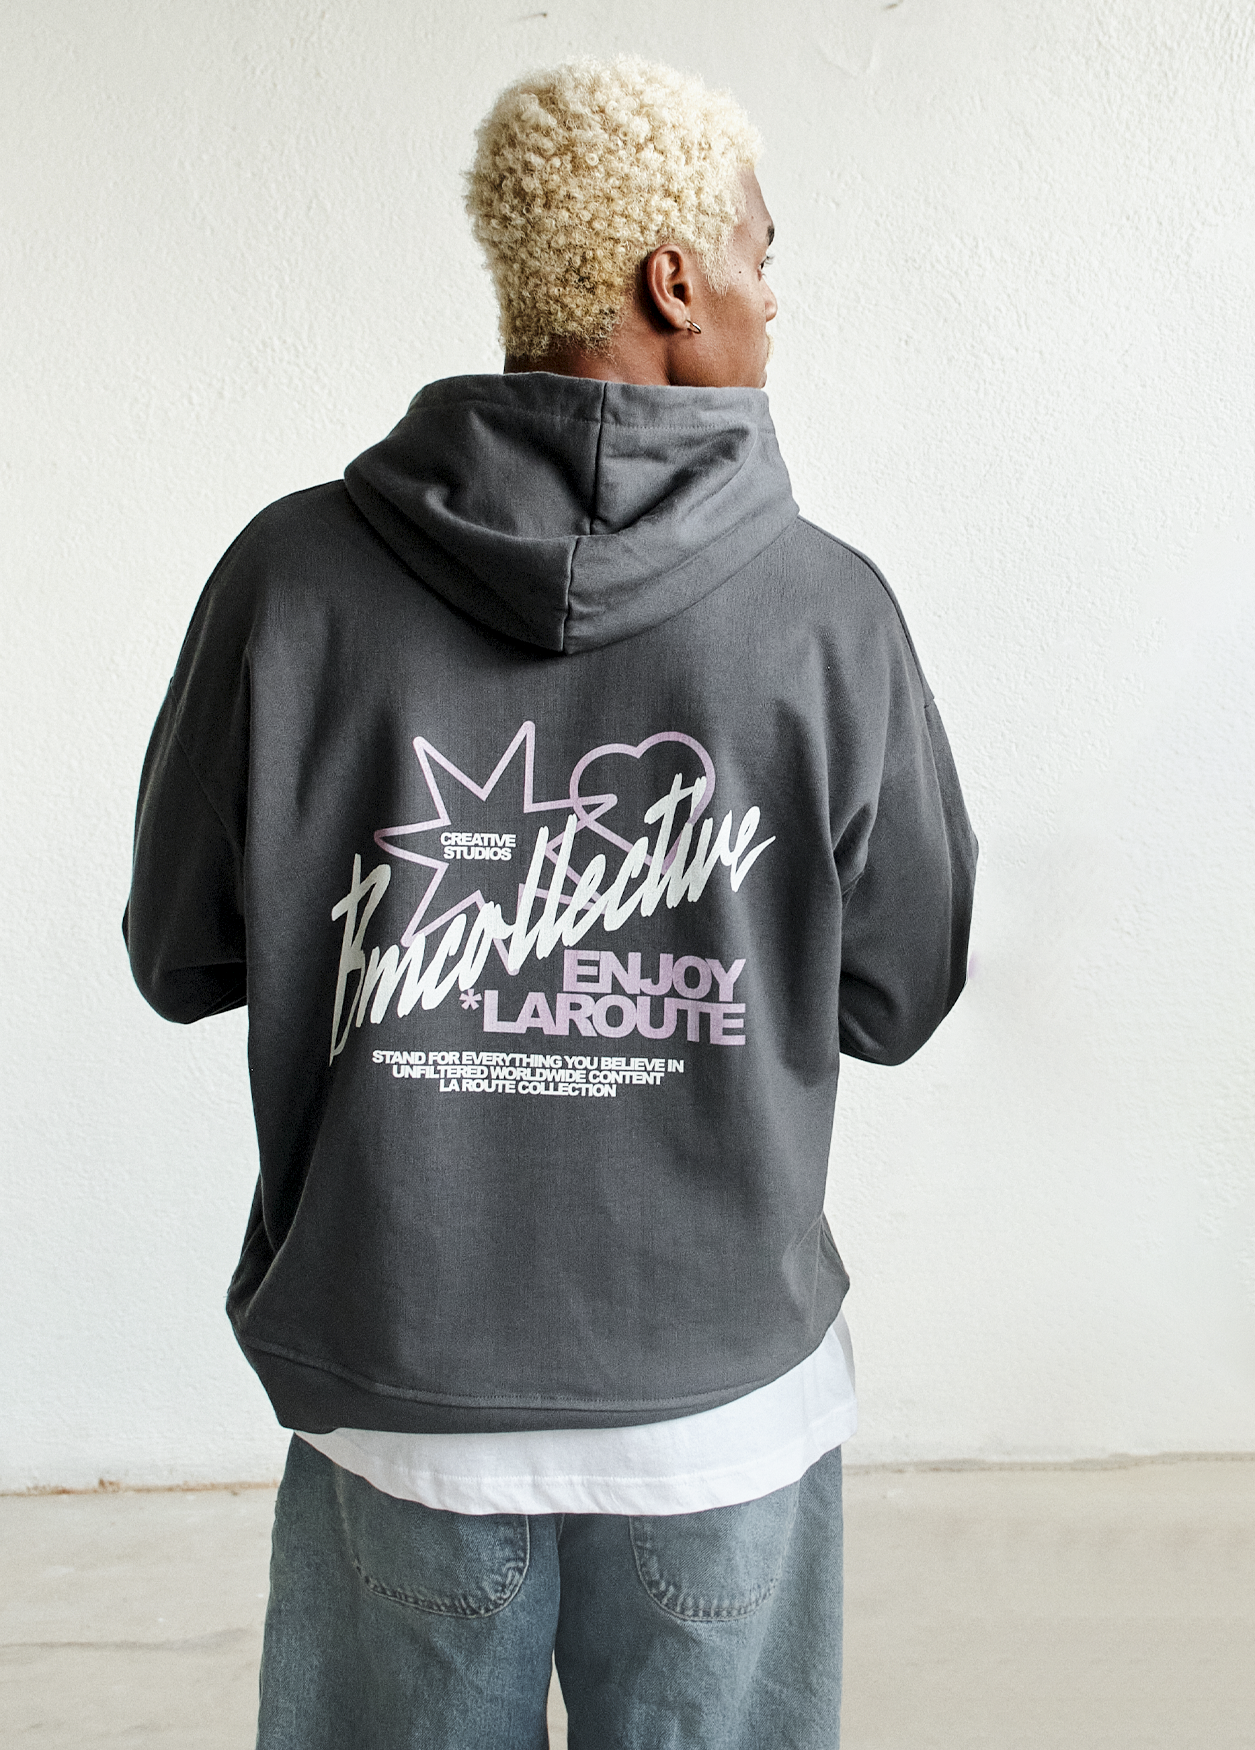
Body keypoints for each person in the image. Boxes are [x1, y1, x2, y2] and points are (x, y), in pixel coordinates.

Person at [124, 54, 976, 1750]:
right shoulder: (828, 613)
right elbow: (902, 990)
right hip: (720, 1404)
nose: (775, 294)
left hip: (403, 1394)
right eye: (761, 253)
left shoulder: (290, 579)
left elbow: (180, 950)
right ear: (675, 280)